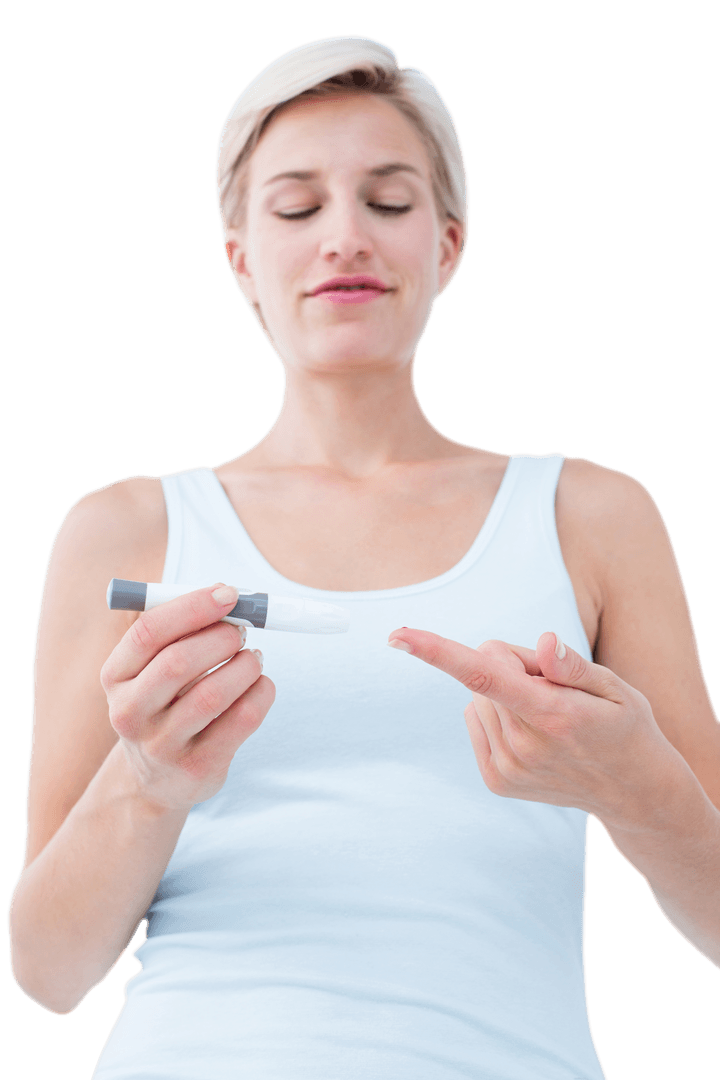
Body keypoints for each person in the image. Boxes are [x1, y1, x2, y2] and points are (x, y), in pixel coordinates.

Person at [7, 33, 720, 1080]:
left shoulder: (591, 515)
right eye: (297, 208)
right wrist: (149, 780)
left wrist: (634, 788)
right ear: (241, 257)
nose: (344, 237)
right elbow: (48, 972)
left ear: (450, 244)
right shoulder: (125, 532)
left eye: (388, 202)